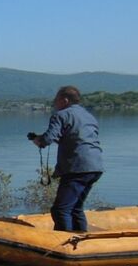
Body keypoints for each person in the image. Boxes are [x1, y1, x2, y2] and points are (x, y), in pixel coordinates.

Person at [29, 85, 103, 232]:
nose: (54, 104)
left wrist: (38, 140)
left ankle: (64, 243)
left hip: (77, 167)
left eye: (56, 100)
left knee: (60, 210)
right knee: (75, 208)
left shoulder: (60, 115)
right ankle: (82, 241)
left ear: (64, 100)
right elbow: (78, 138)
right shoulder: (89, 116)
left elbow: (47, 140)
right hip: (95, 166)